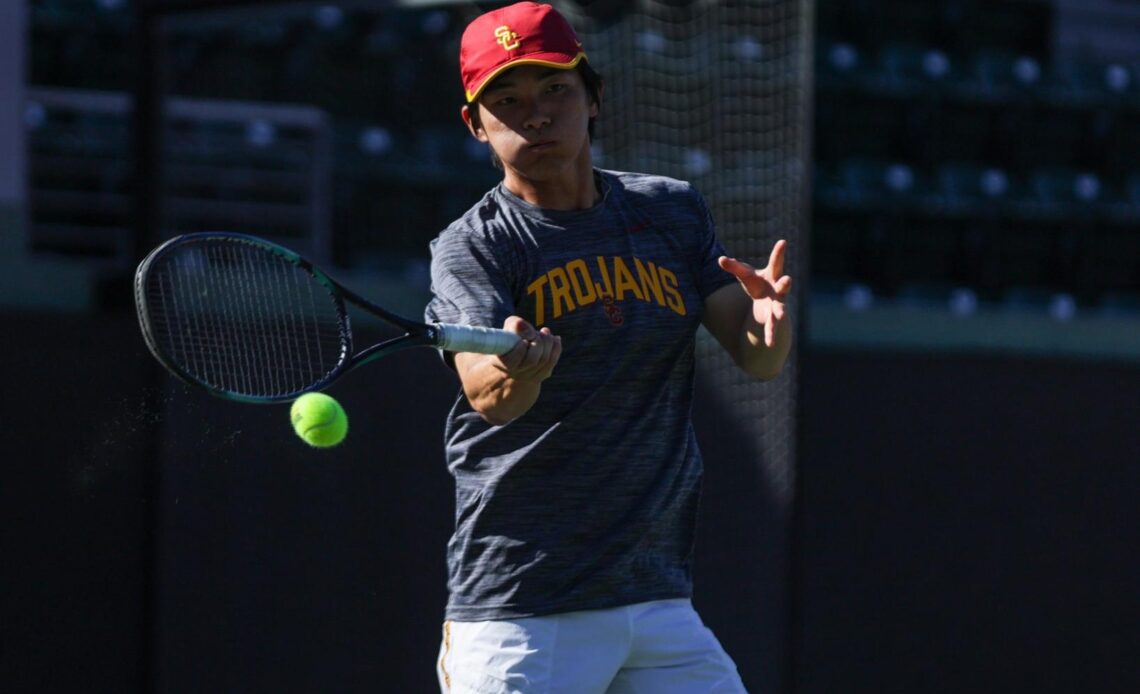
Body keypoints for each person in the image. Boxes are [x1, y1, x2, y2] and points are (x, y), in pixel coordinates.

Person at [424, 3, 792, 692]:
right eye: (506, 101)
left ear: (593, 96)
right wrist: (517, 370)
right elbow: (489, 398)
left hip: (656, 600)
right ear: (476, 125)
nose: (535, 115)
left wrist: (768, 321)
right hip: (522, 608)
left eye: (554, 90)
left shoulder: (671, 210)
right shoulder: (472, 246)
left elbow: (756, 358)